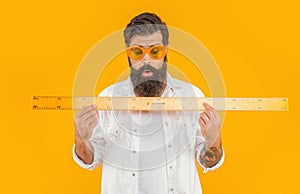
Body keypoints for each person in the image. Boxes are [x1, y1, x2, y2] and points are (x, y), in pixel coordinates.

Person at [73, 12, 224, 194]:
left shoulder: (191, 97)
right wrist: (81, 138)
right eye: (137, 52)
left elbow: (209, 161)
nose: (147, 59)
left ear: (166, 51)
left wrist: (213, 139)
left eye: (155, 51)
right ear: (128, 53)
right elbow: (89, 160)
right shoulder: (108, 99)